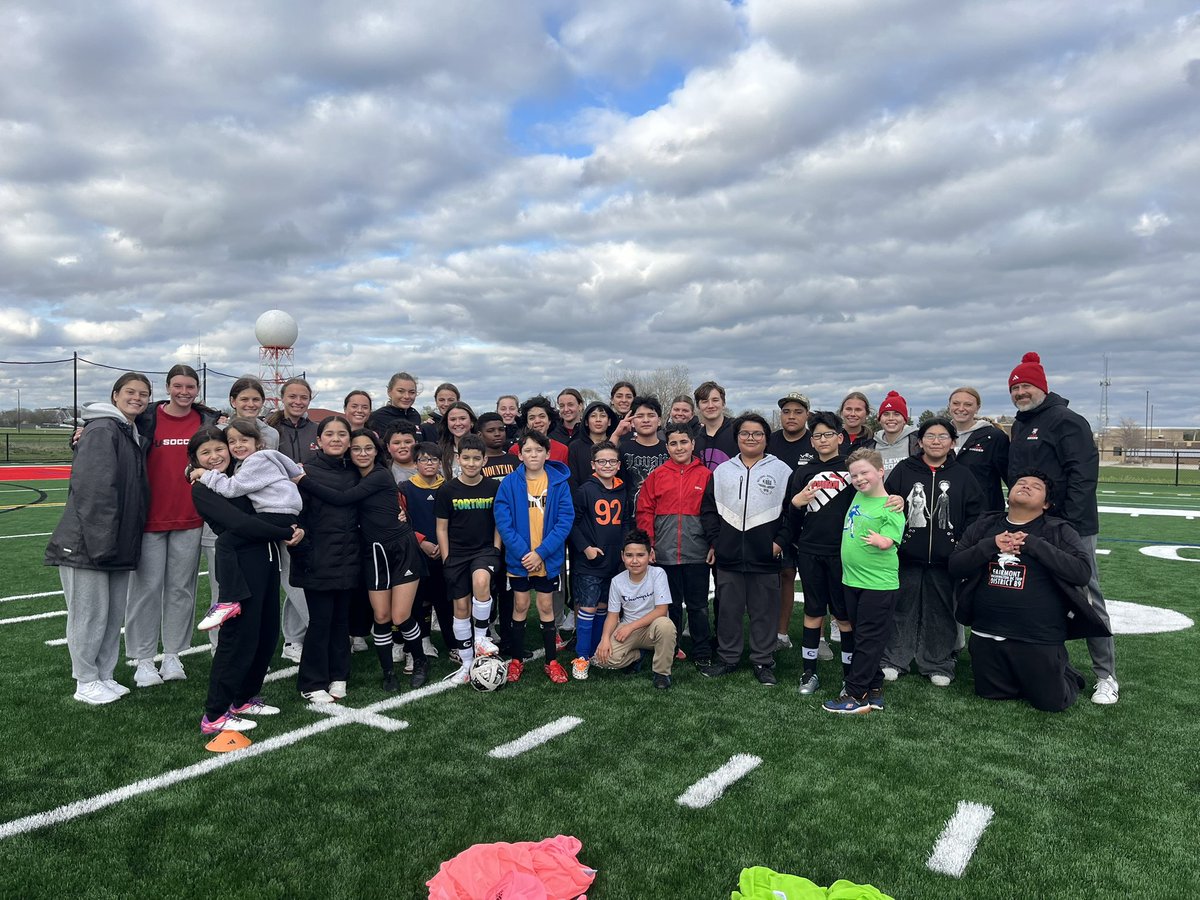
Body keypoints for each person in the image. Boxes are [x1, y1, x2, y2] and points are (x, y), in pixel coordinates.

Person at [1006, 352, 1118, 705]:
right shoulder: (1021, 424)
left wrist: (1063, 523)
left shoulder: (1068, 420)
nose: (1020, 392)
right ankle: (1050, 667)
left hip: (1071, 525)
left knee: (1086, 595)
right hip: (1032, 523)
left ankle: (1106, 675)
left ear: (1041, 387)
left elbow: (1083, 476)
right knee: (1037, 595)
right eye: (1015, 387)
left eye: (1026, 386)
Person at [949, 471, 1110, 712]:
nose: (1026, 486)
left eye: (1036, 486)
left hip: (1037, 635)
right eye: (1020, 483)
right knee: (992, 694)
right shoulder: (985, 525)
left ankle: (1065, 672)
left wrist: (1035, 545)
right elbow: (955, 565)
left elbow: (1081, 572)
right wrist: (990, 545)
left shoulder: (1058, 530)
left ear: (1046, 503)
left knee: (1051, 703)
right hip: (987, 632)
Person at [188, 426, 304, 733]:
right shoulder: (203, 488)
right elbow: (240, 524)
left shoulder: (241, 477)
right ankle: (214, 714)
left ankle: (244, 698)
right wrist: (284, 531)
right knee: (236, 641)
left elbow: (275, 505)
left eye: (219, 449)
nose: (215, 457)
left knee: (265, 636)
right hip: (240, 570)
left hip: (266, 563)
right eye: (206, 453)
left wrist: (294, 527)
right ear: (195, 460)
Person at [45, 372, 151, 705]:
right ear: (115, 395)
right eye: (130, 392)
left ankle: (104, 674)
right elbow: (94, 492)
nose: (137, 398)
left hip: (116, 541)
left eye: (144, 394)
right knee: (88, 614)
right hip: (87, 543)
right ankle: (85, 680)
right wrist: (102, 542)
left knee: (110, 614)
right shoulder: (103, 430)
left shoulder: (127, 430)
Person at [297, 429, 429, 691]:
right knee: (381, 615)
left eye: (368, 448)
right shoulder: (352, 474)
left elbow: (342, 498)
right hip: (373, 552)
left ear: (377, 450)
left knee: (400, 615)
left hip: (401, 549)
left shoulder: (379, 474)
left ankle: (421, 660)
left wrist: (303, 478)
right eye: (356, 449)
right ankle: (388, 672)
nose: (362, 453)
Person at [125, 364, 220, 688]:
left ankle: (172, 655)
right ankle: (142, 659)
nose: (184, 392)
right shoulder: (147, 417)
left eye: (190, 386)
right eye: (177, 386)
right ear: (167, 388)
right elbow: (110, 428)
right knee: (145, 590)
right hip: (149, 520)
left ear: (197, 389)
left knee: (182, 591)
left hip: (191, 519)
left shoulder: (206, 421)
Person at [880, 417, 984, 686]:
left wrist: (961, 545)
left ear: (953, 442)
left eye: (942, 437)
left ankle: (938, 663)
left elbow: (975, 514)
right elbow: (887, 505)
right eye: (930, 436)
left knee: (941, 611)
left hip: (945, 560)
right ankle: (894, 659)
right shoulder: (905, 470)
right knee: (901, 608)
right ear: (920, 441)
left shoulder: (963, 475)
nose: (936, 441)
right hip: (906, 557)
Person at [699, 413, 793, 685]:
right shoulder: (723, 470)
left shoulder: (782, 471)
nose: (751, 438)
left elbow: (791, 514)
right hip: (729, 556)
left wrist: (778, 543)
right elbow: (708, 511)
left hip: (765, 555)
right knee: (728, 609)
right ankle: (728, 658)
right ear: (736, 437)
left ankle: (763, 660)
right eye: (745, 434)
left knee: (764, 610)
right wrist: (717, 542)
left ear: (766, 438)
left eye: (757, 434)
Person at [189, 417, 303, 632]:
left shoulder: (255, 462)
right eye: (233, 442)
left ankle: (228, 600)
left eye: (244, 440)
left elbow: (232, 489)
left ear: (257, 443)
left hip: (275, 516)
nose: (238, 446)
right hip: (283, 515)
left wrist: (204, 474)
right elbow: (293, 470)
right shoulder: (264, 458)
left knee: (224, 543)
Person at [822, 449, 905, 714]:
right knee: (863, 637)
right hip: (852, 581)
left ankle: (856, 695)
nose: (859, 478)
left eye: (865, 472)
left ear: (881, 472)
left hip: (877, 585)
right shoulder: (858, 494)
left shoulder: (891, 505)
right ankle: (875, 688)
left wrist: (883, 541)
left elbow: (890, 539)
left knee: (868, 640)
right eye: (854, 474)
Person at [494, 429, 575, 684]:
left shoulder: (559, 483)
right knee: (520, 606)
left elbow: (565, 521)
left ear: (548, 453)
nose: (533, 454)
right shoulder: (509, 483)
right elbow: (503, 523)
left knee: (546, 606)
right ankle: (516, 660)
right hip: (520, 560)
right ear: (519, 455)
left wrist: (540, 553)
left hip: (547, 559)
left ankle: (551, 661)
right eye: (527, 450)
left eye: (538, 450)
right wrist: (525, 554)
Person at [289, 415, 360, 703]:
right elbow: (292, 512)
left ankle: (339, 675)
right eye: (329, 434)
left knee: (342, 621)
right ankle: (312, 681)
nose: (335, 439)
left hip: (349, 556)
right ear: (318, 440)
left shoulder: (356, 470)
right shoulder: (303, 472)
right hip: (316, 557)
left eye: (341, 434)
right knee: (320, 621)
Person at [636, 423, 714, 666]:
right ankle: (672, 646)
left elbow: (714, 514)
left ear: (693, 444)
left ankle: (702, 651)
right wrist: (650, 544)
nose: (679, 447)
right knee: (670, 605)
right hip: (665, 553)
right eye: (673, 443)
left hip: (697, 552)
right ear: (667, 447)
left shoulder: (707, 475)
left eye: (683, 442)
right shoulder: (657, 475)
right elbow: (645, 511)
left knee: (698, 605)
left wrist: (713, 544)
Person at [787, 411, 853, 694]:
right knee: (813, 612)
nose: (822, 440)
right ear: (811, 441)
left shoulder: (852, 470)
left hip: (844, 554)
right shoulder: (803, 472)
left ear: (840, 437)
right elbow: (790, 516)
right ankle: (809, 672)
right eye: (817, 436)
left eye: (828, 434)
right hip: (810, 552)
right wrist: (796, 502)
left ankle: (849, 675)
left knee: (844, 615)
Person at [436, 434, 502, 684]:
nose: (472, 463)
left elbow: (499, 522)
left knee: (482, 581)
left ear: (484, 460)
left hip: (484, 551)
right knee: (461, 608)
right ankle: (466, 664)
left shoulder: (494, 488)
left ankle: (482, 637)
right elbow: (441, 528)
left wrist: (496, 549)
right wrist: (446, 557)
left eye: (477, 458)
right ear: (458, 459)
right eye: (466, 458)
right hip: (457, 555)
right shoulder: (447, 489)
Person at [268, 375, 319, 662]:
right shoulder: (271, 429)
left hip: (312, 509)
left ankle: (292, 640)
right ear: (283, 397)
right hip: (278, 511)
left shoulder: (317, 430)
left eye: (304, 397)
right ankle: (313, 629)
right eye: (293, 397)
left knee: (299, 574)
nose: (298, 402)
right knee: (290, 575)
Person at [568, 441, 628, 679]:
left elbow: (624, 522)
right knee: (588, 607)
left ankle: (594, 652)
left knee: (605, 607)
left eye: (612, 461)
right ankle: (581, 657)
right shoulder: (585, 491)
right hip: (590, 561)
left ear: (618, 464)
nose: (607, 465)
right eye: (602, 461)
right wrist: (586, 548)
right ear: (593, 465)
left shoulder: (622, 490)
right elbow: (571, 523)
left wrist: (625, 548)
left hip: (614, 560)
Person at [591, 529, 676, 690]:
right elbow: (612, 615)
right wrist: (605, 639)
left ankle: (662, 673)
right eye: (629, 555)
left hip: (653, 628)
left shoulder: (658, 574)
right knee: (603, 659)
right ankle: (638, 655)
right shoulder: (617, 581)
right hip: (628, 630)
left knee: (666, 625)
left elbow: (661, 610)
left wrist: (631, 626)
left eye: (640, 555)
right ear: (623, 556)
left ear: (650, 555)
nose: (635, 561)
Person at [768, 392, 815, 651]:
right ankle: (781, 633)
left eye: (798, 411)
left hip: (812, 518)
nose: (792, 416)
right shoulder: (771, 441)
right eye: (787, 411)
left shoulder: (815, 439)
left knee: (813, 578)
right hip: (779, 516)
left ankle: (817, 638)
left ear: (806, 414)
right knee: (785, 574)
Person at [401, 442, 452, 659]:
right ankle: (423, 640)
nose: (429, 463)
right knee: (419, 601)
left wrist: (444, 545)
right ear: (415, 463)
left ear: (440, 463)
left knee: (445, 599)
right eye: (423, 459)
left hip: (445, 553)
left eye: (433, 459)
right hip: (416, 554)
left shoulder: (449, 487)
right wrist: (421, 542)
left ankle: (454, 644)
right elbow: (401, 522)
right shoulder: (405, 488)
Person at [947, 386, 1010, 512]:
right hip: (948, 512)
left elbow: (1010, 476)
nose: (961, 408)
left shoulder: (994, 437)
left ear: (977, 408)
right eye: (956, 403)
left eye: (968, 404)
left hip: (983, 515)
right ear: (949, 406)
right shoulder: (939, 435)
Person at [618, 395, 668, 512]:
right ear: (633, 422)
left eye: (651, 415)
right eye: (640, 416)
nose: (646, 420)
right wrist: (616, 435)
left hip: (665, 518)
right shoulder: (624, 448)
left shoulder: (669, 449)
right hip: (632, 516)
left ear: (659, 420)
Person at [369, 372, 434, 442]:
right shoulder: (377, 417)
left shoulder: (415, 415)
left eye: (411, 392)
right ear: (389, 392)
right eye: (401, 391)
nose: (407, 396)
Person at [567, 401, 617, 486]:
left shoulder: (616, 445)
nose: (598, 420)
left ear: (609, 422)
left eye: (603, 416)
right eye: (593, 416)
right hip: (582, 496)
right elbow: (573, 479)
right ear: (586, 422)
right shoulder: (575, 447)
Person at [508, 396, 569, 465]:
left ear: (549, 420)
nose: (537, 421)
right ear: (527, 423)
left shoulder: (562, 450)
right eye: (532, 418)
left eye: (542, 416)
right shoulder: (515, 450)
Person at [226, 376, 280, 450]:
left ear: (263, 401)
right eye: (244, 399)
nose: (251, 404)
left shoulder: (271, 434)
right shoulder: (221, 432)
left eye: (256, 399)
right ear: (233, 402)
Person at [693, 380, 736, 471]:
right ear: (698, 406)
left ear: (723, 403)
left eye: (715, 400)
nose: (710, 406)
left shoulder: (738, 431)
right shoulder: (695, 439)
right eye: (705, 401)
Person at [873, 390, 919, 474]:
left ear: (905, 420)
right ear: (879, 419)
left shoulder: (917, 442)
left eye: (896, 414)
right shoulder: (871, 446)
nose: (891, 418)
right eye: (886, 414)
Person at [437, 401, 478, 479]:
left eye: (462, 418)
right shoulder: (439, 451)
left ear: (472, 422)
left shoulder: (484, 449)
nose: (458, 423)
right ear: (447, 423)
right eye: (453, 419)